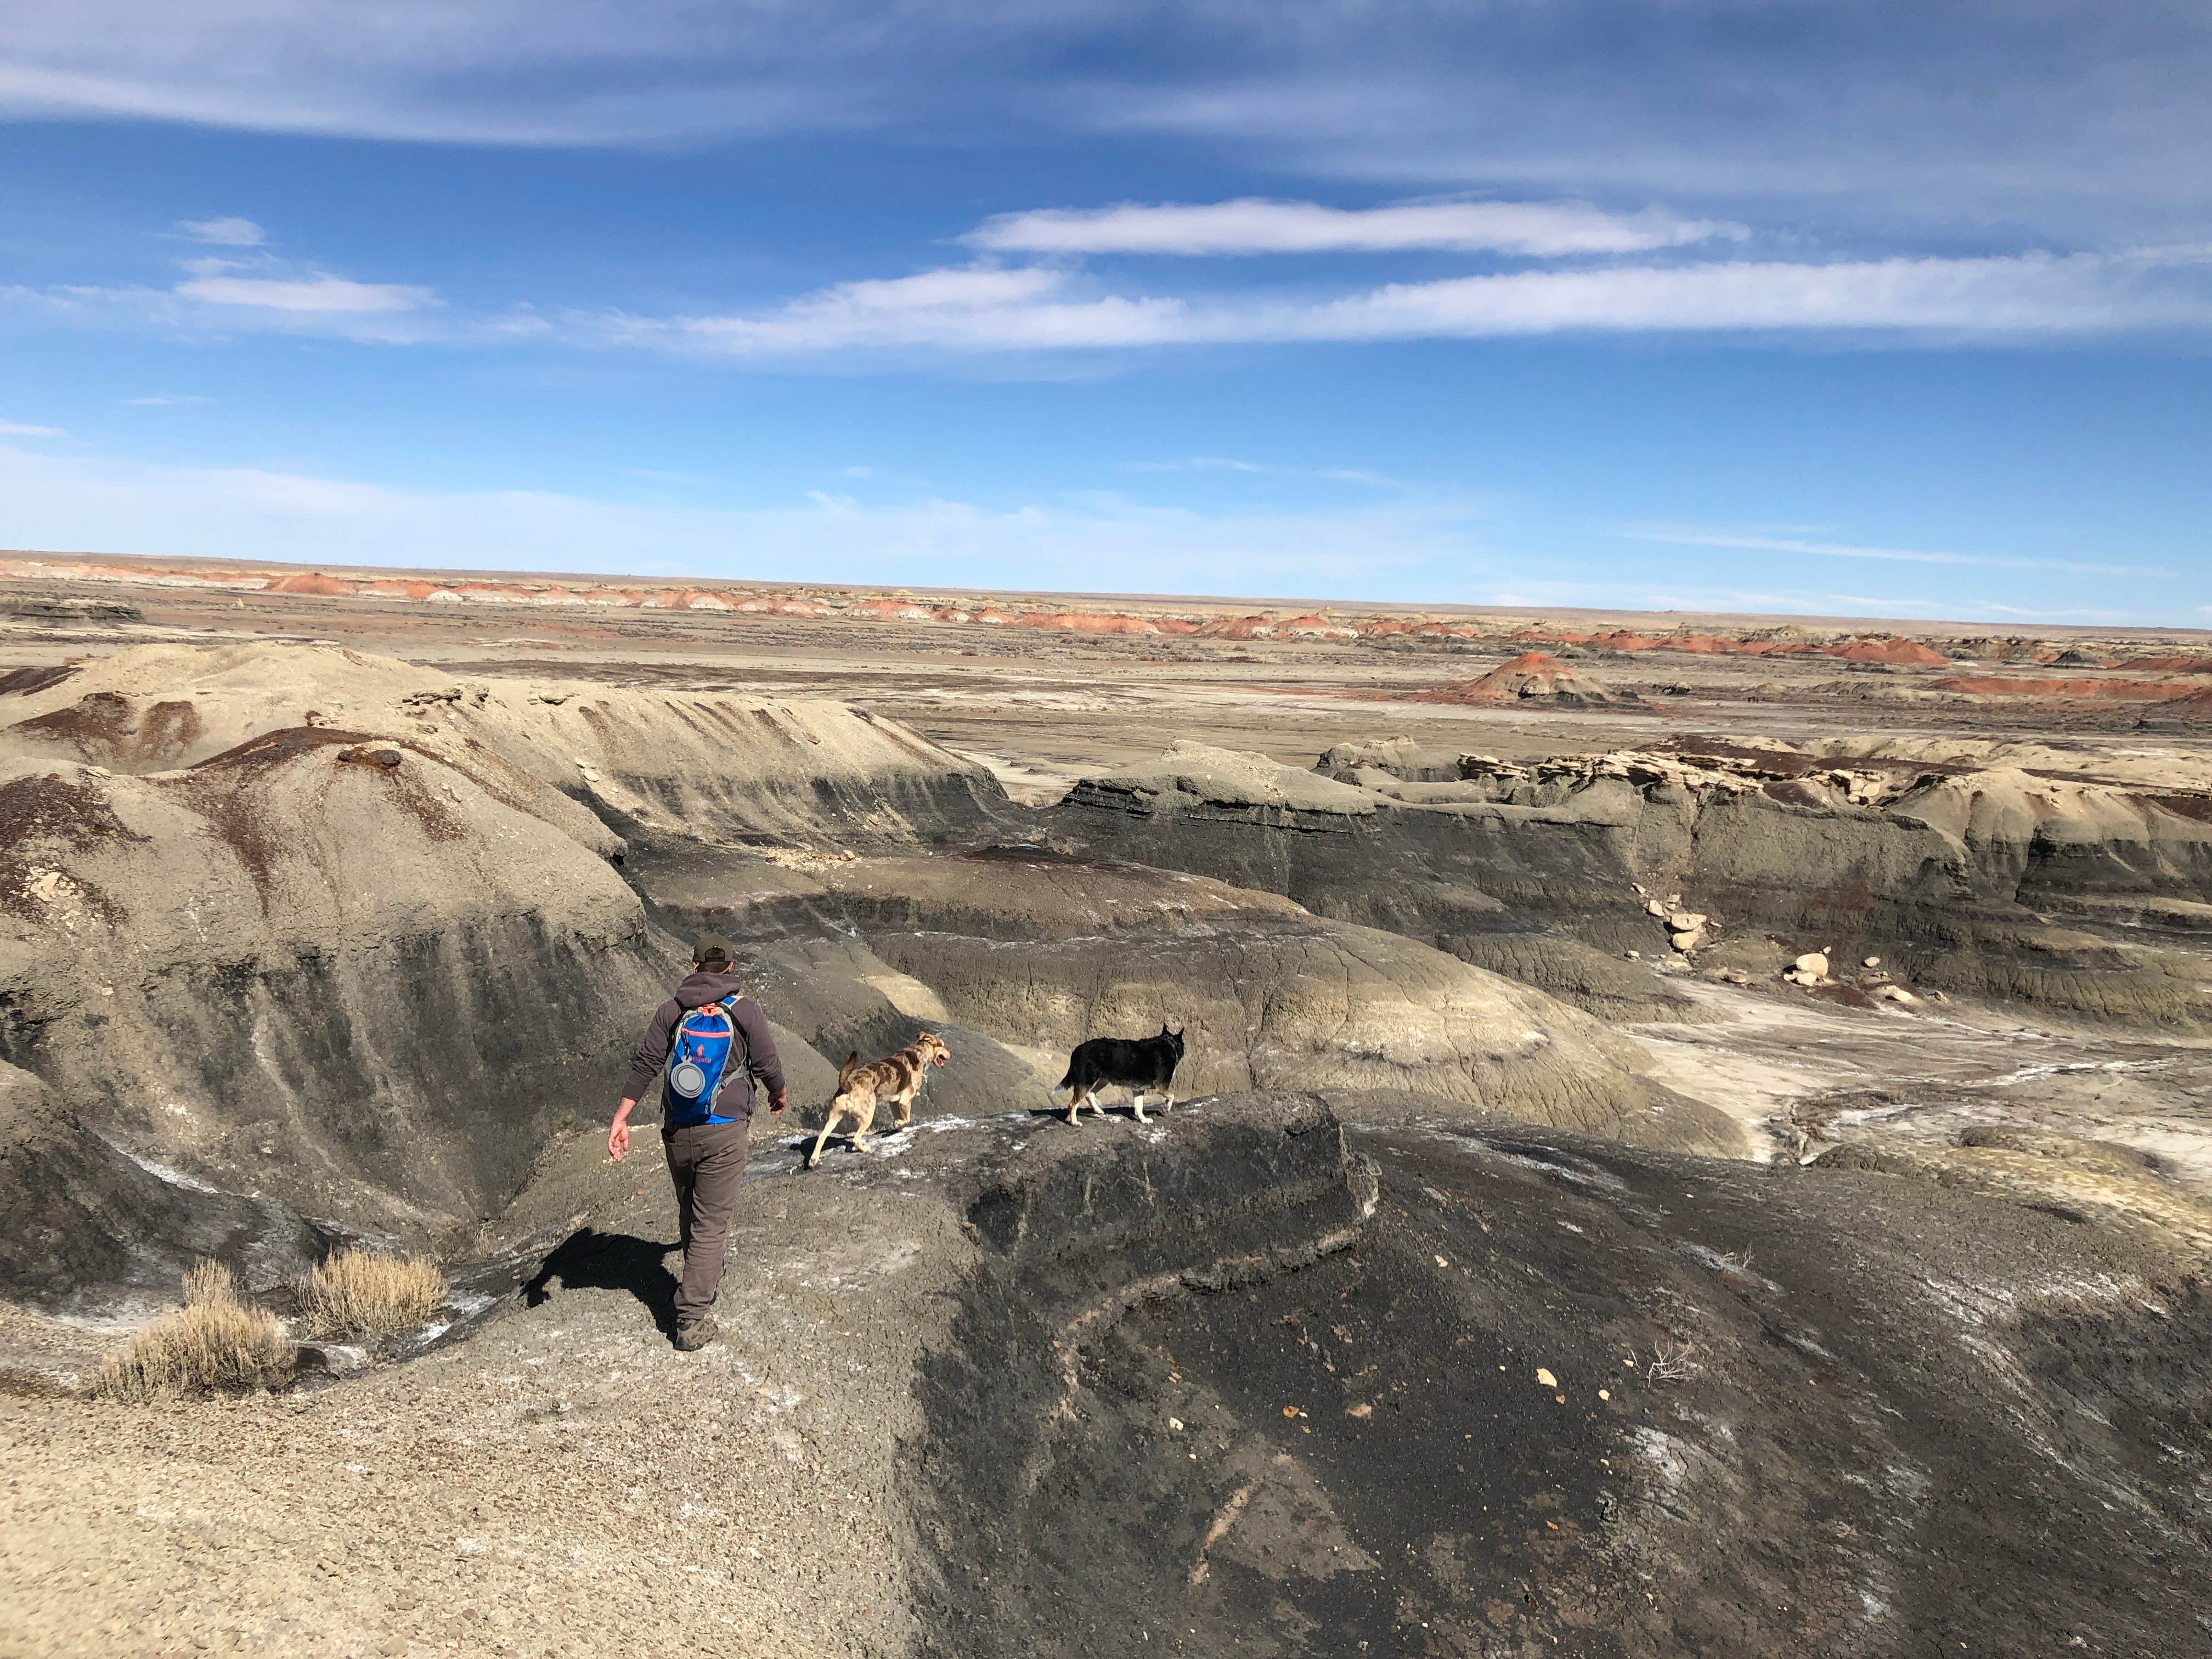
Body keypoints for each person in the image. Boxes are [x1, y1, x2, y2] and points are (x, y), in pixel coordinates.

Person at [607, 935, 786, 1352]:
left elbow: (647, 1063)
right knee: (711, 1223)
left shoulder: (672, 1011)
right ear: (731, 968)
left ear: (693, 966)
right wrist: (778, 1095)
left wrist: (621, 1117)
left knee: (691, 1207)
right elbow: (767, 1065)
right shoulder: (744, 1012)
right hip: (725, 1130)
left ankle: (699, 1273)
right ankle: (691, 1318)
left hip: (677, 1129)